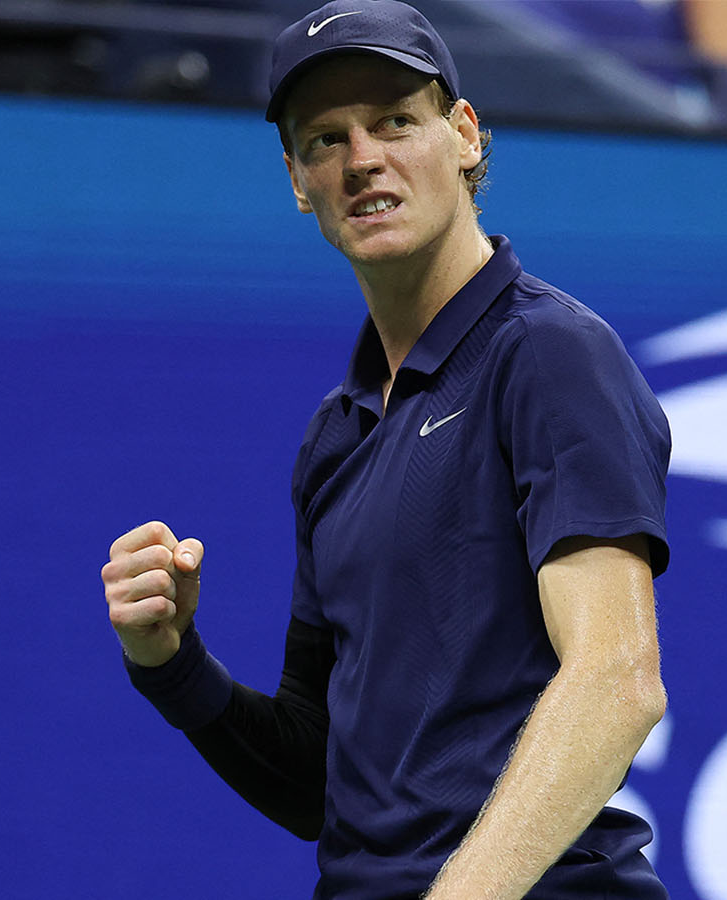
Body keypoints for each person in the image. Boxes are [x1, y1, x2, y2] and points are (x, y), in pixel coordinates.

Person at [101, 1, 672, 896]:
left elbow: (617, 679)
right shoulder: (334, 437)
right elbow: (318, 783)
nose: (362, 158)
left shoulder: (548, 353)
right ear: (298, 180)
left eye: (395, 121)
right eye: (326, 139)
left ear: (465, 135)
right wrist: (172, 665)